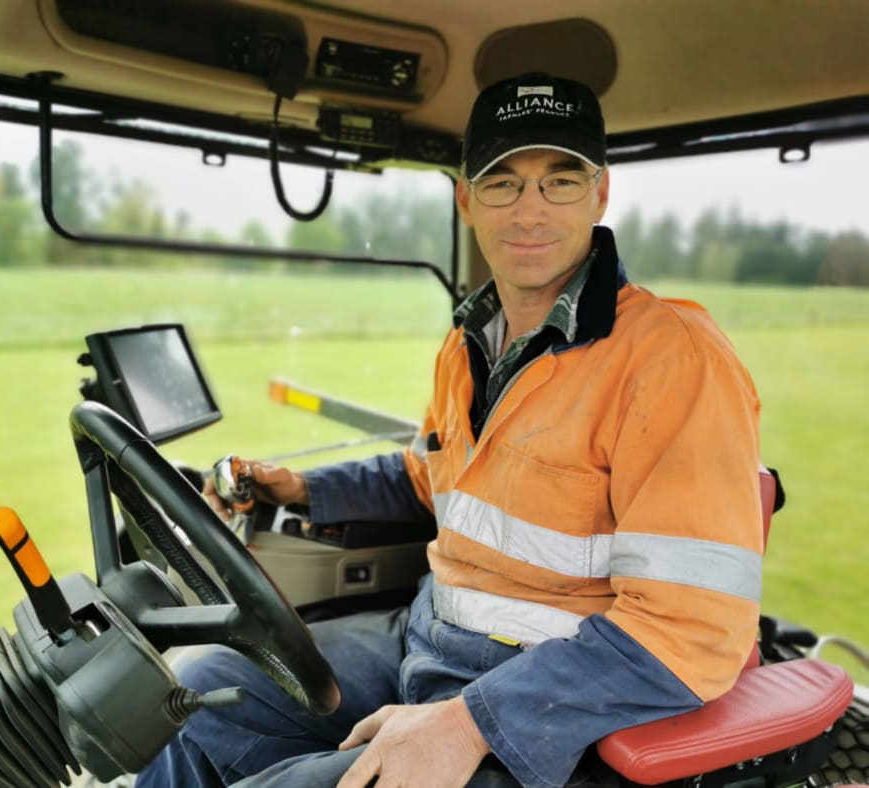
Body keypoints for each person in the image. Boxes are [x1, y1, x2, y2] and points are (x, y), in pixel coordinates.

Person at [136, 72, 764, 788]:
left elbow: (692, 630)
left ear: (601, 193)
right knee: (198, 695)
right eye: (502, 182)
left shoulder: (674, 359)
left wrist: (471, 720)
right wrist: (303, 486)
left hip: (553, 701)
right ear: (466, 199)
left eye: (559, 181)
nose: (530, 211)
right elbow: (431, 476)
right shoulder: (470, 342)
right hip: (427, 642)